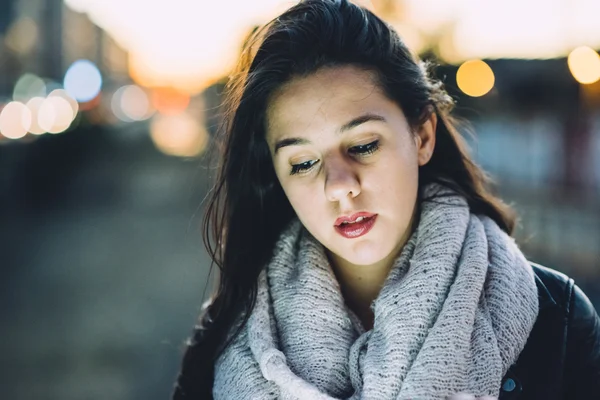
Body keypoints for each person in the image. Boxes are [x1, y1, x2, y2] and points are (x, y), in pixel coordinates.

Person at [171, 1, 600, 399]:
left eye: (362, 145)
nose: (339, 185)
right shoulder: (224, 336)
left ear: (423, 136)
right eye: (302, 163)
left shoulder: (558, 320)